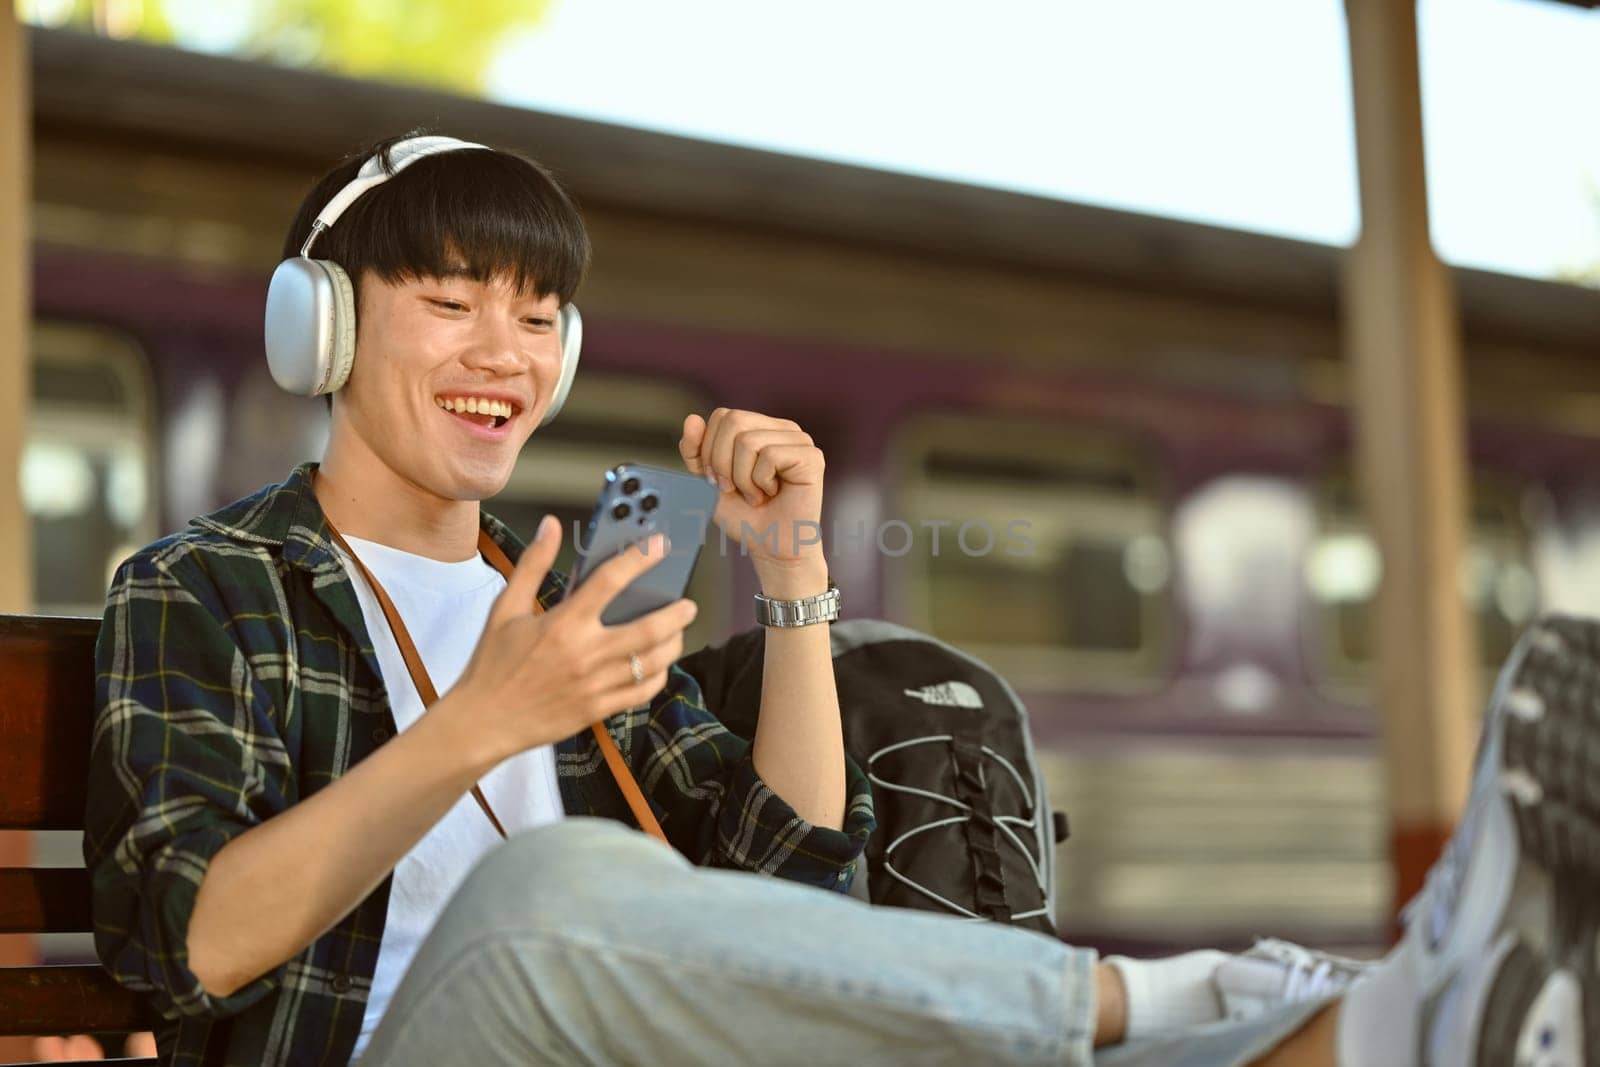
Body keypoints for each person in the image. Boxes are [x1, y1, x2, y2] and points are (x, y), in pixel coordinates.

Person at [82, 133, 1596, 1067]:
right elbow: (189, 949)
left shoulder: (563, 589)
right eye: (451, 303)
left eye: (538, 317)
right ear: (326, 326)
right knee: (547, 895)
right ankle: (1200, 989)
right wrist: (476, 729)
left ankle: (1399, 1024)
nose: (506, 352)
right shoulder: (208, 589)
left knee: (915, 1040)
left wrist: (788, 577)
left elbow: (787, 874)